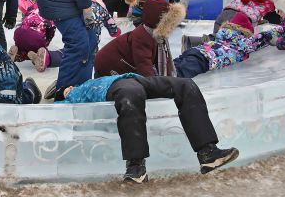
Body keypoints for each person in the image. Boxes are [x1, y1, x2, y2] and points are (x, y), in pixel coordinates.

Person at [61, 74, 239, 183]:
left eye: (68, 88)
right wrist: (66, 95)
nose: (68, 89)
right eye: (65, 89)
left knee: (185, 84)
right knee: (131, 95)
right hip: (121, 87)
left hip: (138, 79)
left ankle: (208, 153)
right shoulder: (76, 95)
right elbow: (59, 110)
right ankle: (136, 167)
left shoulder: (86, 82)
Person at [94, 0, 185, 79]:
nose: (171, 28)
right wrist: (157, 86)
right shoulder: (142, 38)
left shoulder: (157, 36)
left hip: (120, 63)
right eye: (168, 24)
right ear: (158, 23)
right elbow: (144, 66)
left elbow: (163, 60)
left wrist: (169, 79)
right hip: (107, 66)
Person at [175, 12, 275, 78]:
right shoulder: (241, 43)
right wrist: (278, 31)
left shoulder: (222, 34)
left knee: (175, 65)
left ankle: (162, 74)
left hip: (197, 50)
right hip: (206, 59)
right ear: (245, 32)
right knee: (181, 73)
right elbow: (259, 39)